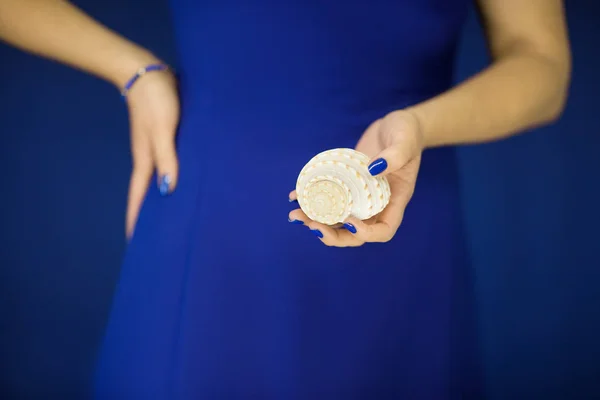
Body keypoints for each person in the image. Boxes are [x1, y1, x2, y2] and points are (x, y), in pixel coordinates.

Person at [0, 0, 571, 398]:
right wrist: (134, 72)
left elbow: (542, 63)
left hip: (396, 214)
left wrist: (420, 125)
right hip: (213, 225)